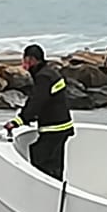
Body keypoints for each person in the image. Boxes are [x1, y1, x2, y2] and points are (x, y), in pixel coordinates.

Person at [11, 43, 74, 179]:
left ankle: (46, 192)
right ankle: (56, 191)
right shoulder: (49, 72)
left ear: (31, 60)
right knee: (55, 165)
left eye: (24, 60)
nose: (23, 65)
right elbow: (49, 100)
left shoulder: (43, 77)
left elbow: (37, 101)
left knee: (40, 158)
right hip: (63, 126)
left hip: (54, 128)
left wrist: (19, 120)